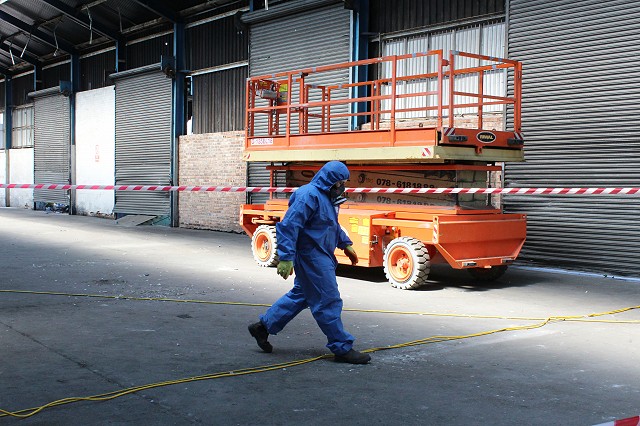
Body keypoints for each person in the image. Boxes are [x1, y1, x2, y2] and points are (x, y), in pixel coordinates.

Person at [248, 161, 371, 364]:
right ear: (330, 180)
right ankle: (341, 347)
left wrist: (345, 244)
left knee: (302, 295)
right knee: (328, 299)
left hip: (321, 254)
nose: (342, 186)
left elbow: (329, 225)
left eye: (343, 182)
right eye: (340, 182)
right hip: (311, 256)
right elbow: (289, 226)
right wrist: (286, 257)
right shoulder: (308, 196)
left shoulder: (326, 199)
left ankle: (262, 327)